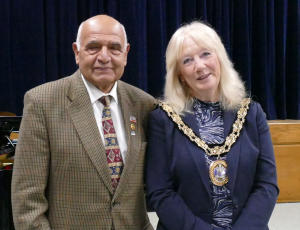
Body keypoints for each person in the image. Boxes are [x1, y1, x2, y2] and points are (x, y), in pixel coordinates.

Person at [11, 15, 155, 230]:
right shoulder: (42, 102)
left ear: (126, 54)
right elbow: (27, 201)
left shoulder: (144, 105)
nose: (104, 57)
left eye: (114, 48)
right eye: (93, 47)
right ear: (77, 52)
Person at [145, 21, 279, 230]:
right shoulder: (162, 119)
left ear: (219, 58)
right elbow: (160, 192)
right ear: (179, 73)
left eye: (206, 54)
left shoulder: (252, 113)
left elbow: (267, 186)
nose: (200, 66)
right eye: (188, 60)